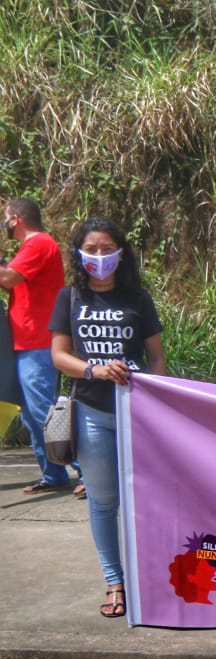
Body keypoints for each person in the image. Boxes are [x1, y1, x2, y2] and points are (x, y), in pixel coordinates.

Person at [50, 217, 167, 618]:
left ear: (121, 253)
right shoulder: (69, 298)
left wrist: (159, 403)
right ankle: (115, 583)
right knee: (103, 502)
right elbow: (59, 355)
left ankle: (149, 579)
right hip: (93, 413)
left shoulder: (138, 299)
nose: (100, 256)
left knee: (147, 500)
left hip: (138, 415)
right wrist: (94, 370)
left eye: (107, 248)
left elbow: (157, 358)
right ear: (79, 254)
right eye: (92, 249)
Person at [0, 198, 75, 494]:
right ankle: (53, 474)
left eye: (6, 218)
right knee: (32, 415)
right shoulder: (28, 248)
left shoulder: (38, 244)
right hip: (26, 342)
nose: (5, 223)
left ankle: (83, 471)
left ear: (16, 219)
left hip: (39, 341)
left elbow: (7, 278)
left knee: (44, 410)